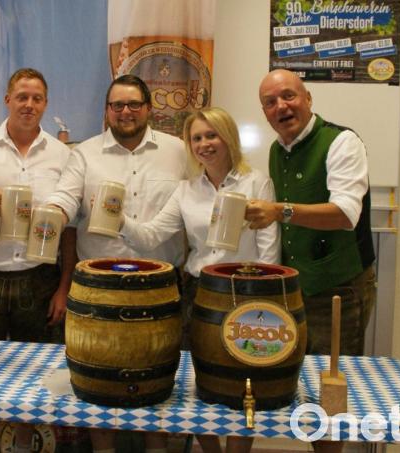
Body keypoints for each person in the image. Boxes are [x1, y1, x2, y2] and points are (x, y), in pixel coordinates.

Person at [118, 107, 279, 453]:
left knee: (244, 383)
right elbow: (150, 237)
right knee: (197, 382)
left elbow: (269, 253)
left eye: (212, 135)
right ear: (190, 146)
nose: (204, 144)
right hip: (198, 293)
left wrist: (265, 301)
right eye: (197, 138)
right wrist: (115, 217)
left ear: (228, 138)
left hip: (246, 294)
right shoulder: (185, 190)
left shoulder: (258, 183)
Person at [46, 74, 187, 453]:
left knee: (156, 385)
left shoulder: (179, 151)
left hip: (159, 288)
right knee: (97, 385)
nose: (125, 112)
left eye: (133, 104)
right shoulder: (85, 153)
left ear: (148, 108)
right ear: (106, 111)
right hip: (100, 290)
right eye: (117, 105)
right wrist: (49, 218)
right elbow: (65, 200)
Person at [246, 69, 376, 453]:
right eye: (270, 102)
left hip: (339, 288)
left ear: (308, 98)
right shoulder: (275, 150)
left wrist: (278, 211)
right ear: (265, 112)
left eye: (288, 96)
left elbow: (345, 212)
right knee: (295, 387)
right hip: (297, 288)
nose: (281, 107)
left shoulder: (342, 142)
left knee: (330, 394)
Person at [0, 68, 75, 453]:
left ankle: (25, 447)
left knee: (37, 377)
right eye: (21, 96)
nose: (29, 104)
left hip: (39, 278)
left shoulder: (63, 153)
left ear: (45, 103)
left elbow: (70, 211)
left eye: (37, 98)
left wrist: (63, 285)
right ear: (6, 99)